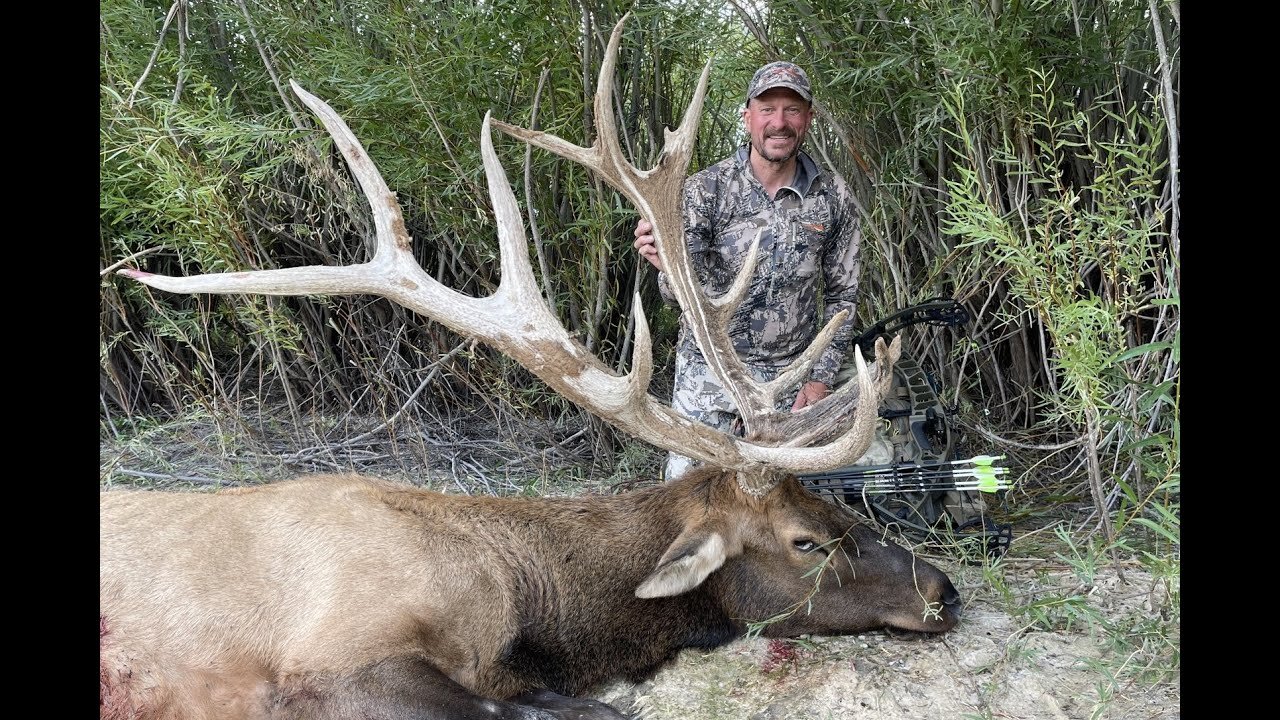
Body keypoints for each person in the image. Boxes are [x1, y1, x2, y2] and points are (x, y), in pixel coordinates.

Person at [633, 60, 863, 480]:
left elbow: (842, 298)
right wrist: (666, 267)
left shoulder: (833, 196)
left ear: (808, 119)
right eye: (767, 109)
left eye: (792, 110)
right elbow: (676, 297)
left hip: (790, 378)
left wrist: (818, 382)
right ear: (747, 117)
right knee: (689, 499)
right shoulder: (704, 189)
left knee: (784, 515)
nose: (779, 122)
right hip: (710, 374)